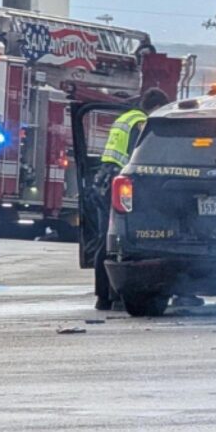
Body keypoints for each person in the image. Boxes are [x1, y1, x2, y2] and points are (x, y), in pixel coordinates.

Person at [93, 88, 169, 310]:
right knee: (119, 240)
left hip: (104, 180)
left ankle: (105, 296)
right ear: (157, 107)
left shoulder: (126, 119)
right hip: (121, 184)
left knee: (105, 240)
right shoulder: (142, 124)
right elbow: (142, 158)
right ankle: (113, 294)